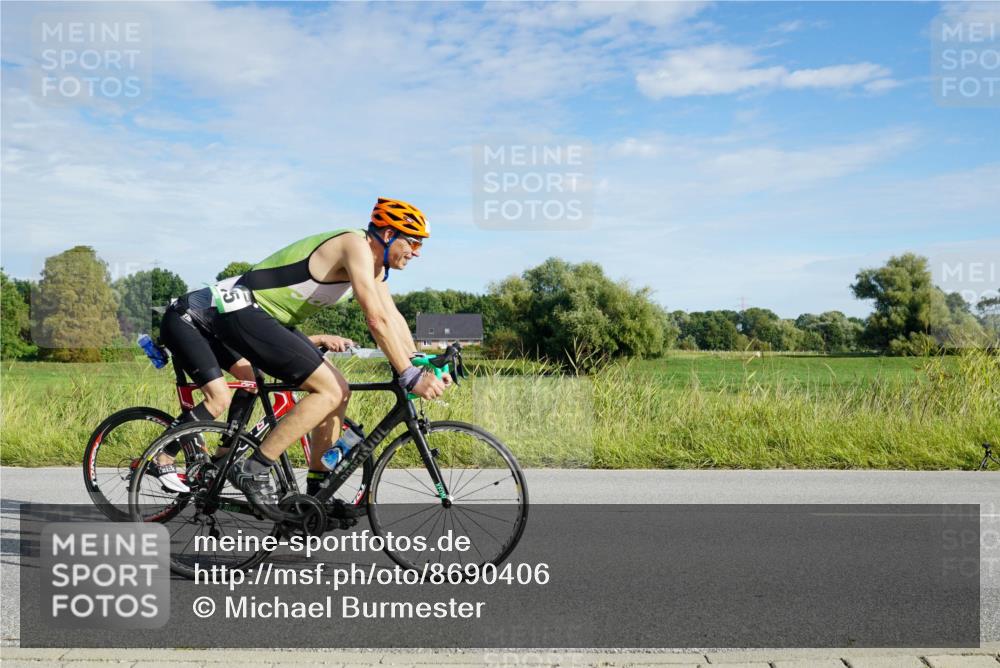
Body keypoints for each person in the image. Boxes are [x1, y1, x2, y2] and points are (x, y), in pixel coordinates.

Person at [205, 197, 448, 509]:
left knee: (340, 391)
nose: (417, 253)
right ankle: (254, 468)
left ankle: (316, 493)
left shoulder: (375, 265)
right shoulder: (355, 245)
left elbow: (391, 315)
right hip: (243, 311)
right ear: (388, 235)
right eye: (414, 243)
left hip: (270, 319)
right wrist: (409, 375)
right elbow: (374, 318)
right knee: (329, 389)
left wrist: (416, 359)